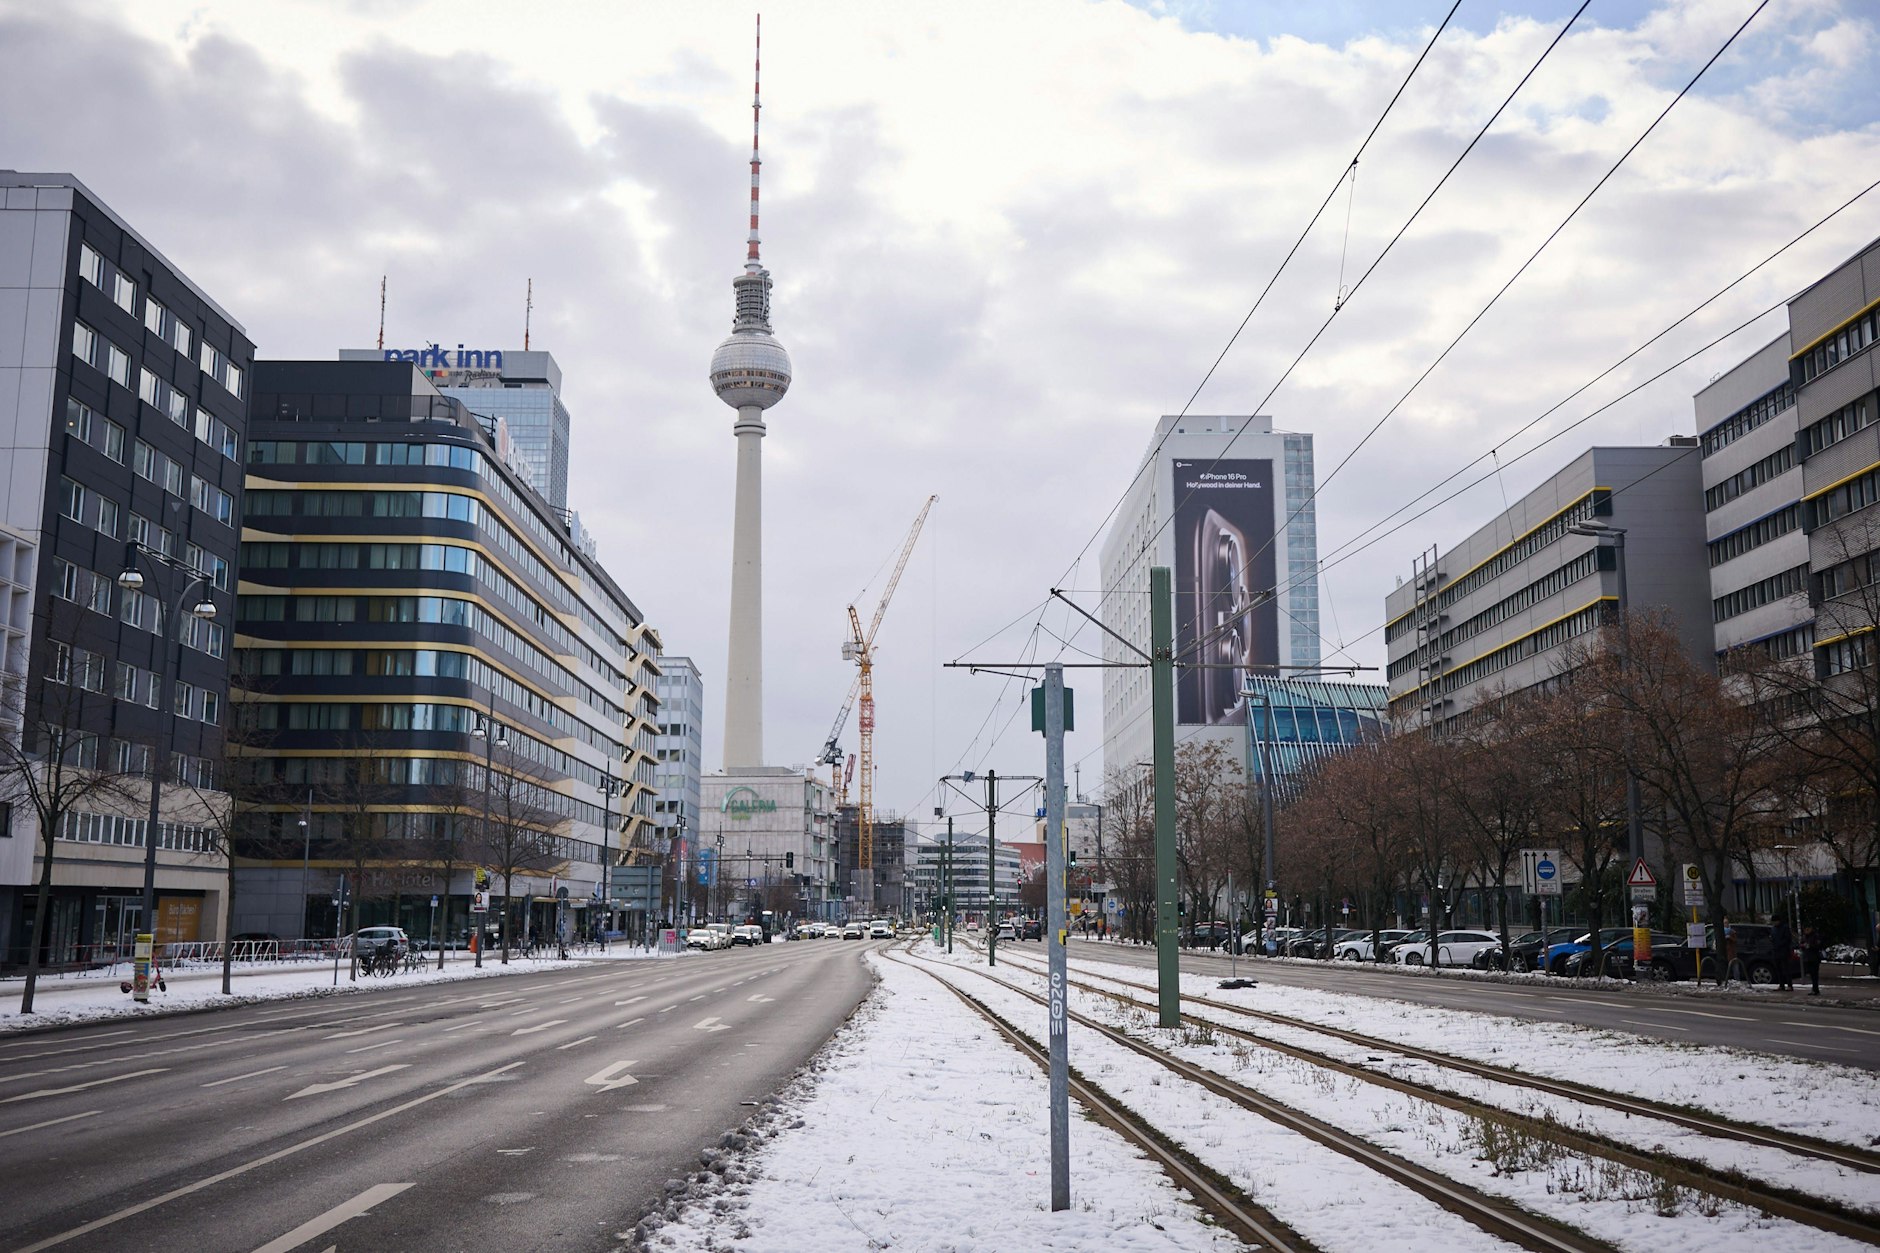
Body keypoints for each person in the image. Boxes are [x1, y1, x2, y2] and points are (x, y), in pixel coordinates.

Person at [1771, 916, 1793, 991]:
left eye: (1775, 921)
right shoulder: (1773, 928)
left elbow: (1788, 939)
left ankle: (1789, 985)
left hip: (1784, 951)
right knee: (1778, 969)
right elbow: (1773, 938)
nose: (1774, 923)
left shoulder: (1785, 927)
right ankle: (1781, 985)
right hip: (1776, 951)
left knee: (1786, 969)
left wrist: (1780, 944)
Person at [1801, 926, 1824, 996]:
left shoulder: (1815, 936)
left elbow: (1818, 946)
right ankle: (1814, 989)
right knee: (1811, 974)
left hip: (1814, 958)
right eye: (1805, 929)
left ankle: (1815, 989)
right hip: (1807, 958)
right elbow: (1801, 944)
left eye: (1808, 929)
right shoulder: (1805, 937)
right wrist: (1802, 946)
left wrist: (1810, 946)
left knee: (1814, 974)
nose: (1806, 930)